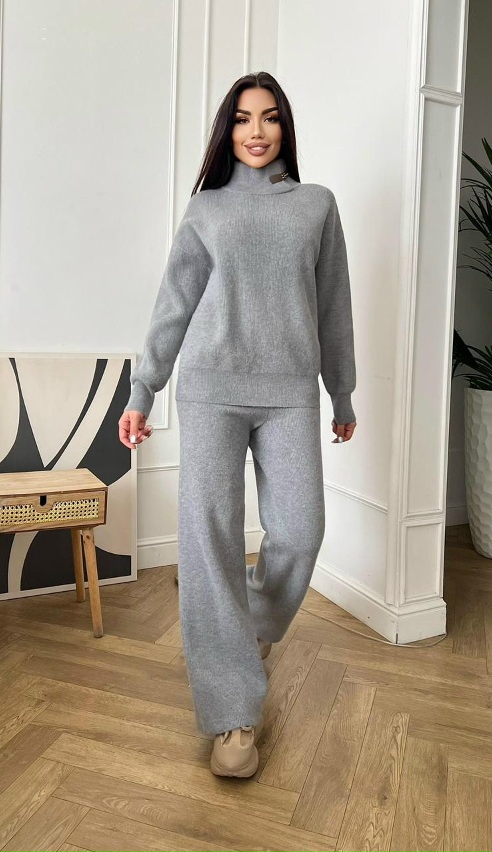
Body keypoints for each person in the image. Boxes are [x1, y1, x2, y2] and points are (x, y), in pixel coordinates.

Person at [118, 71, 357, 778]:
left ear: (285, 128)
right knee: (210, 539)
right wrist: (143, 390)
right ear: (228, 131)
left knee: (301, 531)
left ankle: (246, 629)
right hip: (210, 392)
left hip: (289, 393)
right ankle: (231, 713)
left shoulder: (316, 205)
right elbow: (175, 302)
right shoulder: (207, 208)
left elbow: (334, 305)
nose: (257, 131)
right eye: (244, 119)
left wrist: (342, 394)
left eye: (270, 117)